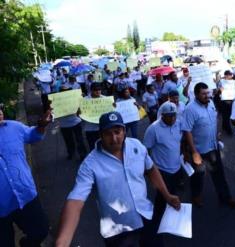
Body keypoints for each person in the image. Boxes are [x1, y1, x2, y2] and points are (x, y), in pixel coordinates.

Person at [55, 111, 180, 247]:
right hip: (118, 231)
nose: (114, 138)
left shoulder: (136, 146)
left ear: (124, 131)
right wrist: (62, 241)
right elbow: (75, 201)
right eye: (108, 133)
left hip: (147, 216)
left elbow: (150, 169)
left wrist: (166, 195)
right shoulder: (90, 164)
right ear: (100, 135)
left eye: (117, 131)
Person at [0, 107, 52, 247]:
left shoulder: (14, 127)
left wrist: (41, 126)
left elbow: (33, 135)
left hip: (25, 195)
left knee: (41, 231)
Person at [181, 82, 235, 208]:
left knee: (219, 174)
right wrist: (194, 152)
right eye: (203, 94)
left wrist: (216, 133)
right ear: (196, 94)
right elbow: (187, 130)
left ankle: (225, 197)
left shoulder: (211, 103)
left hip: (213, 146)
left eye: (208, 93)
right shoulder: (190, 109)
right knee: (198, 176)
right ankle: (196, 196)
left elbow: (215, 119)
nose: (207, 96)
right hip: (199, 150)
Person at [143, 102, 183, 246]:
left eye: (174, 115)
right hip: (162, 171)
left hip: (177, 168)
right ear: (162, 115)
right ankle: (157, 226)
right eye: (169, 116)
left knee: (172, 192)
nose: (172, 118)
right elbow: (145, 150)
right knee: (161, 199)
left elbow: (180, 141)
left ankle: (170, 218)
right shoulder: (153, 129)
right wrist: (148, 170)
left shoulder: (178, 124)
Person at [56, 76, 87, 161]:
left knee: (79, 139)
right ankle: (71, 153)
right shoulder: (57, 101)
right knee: (69, 141)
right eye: (63, 91)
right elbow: (55, 113)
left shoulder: (74, 99)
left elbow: (81, 110)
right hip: (64, 125)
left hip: (75, 122)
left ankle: (82, 154)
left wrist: (81, 98)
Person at [82, 83, 103, 151]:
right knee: (92, 146)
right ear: (91, 90)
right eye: (95, 90)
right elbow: (80, 116)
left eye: (99, 89)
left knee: (103, 145)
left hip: (101, 128)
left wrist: (113, 107)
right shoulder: (84, 100)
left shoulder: (105, 99)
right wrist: (79, 113)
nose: (98, 91)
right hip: (89, 128)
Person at [219, 70, 235, 135]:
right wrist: (220, 90)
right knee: (226, 115)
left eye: (231, 74)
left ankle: (224, 126)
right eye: (228, 75)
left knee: (228, 115)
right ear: (225, 75)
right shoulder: (221, 81)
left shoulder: (234, 82)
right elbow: (219, 89)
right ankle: (228, 130)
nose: (230, 76)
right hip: (224, 100)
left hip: (231, 99)